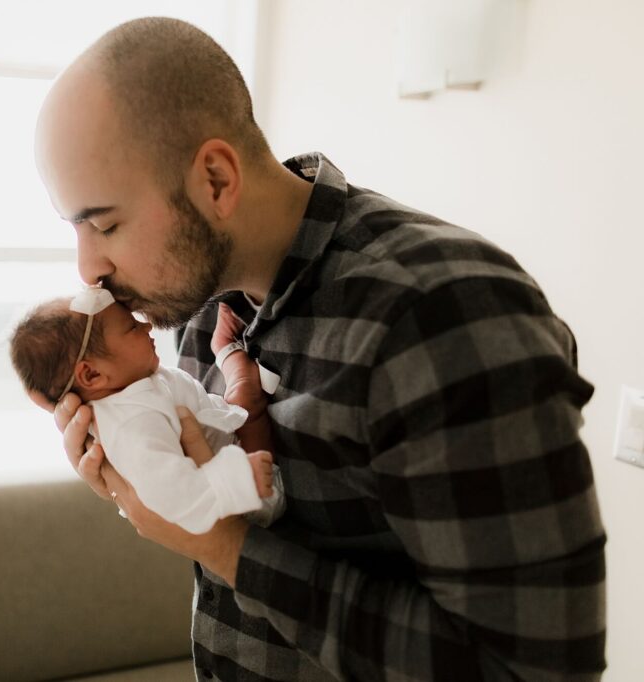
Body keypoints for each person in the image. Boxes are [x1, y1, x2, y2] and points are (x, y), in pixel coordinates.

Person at [32, 16, 606, 682]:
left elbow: (530, 670)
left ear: (215, 180)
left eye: (103, 224)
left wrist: (222, 546)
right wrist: (142, 463)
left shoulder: (439, 315)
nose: (86, 269)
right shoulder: (195, 316)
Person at [9, 287, 286, 534]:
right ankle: (230, 357)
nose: (147, 327)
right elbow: (172, 493)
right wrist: (236, 479)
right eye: (131, 327)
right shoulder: (129, 425)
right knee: (250, 404)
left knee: (243, 401)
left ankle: (229, 357)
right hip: (243, 501)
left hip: (227, 438)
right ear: (92, 375)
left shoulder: (132, 386)